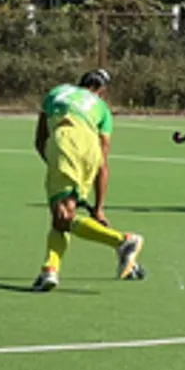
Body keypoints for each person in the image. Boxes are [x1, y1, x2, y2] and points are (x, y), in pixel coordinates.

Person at [32, 70, 145, 293]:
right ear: (101, 92)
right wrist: (99, 209)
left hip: (65, 140)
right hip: (90, 148)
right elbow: (102, 164)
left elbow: (39, 141)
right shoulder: (102, 109)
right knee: (61, 216)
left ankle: (123, 241)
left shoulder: (57, 91)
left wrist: (58, 167)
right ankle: (49, 270)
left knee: (63, 213)